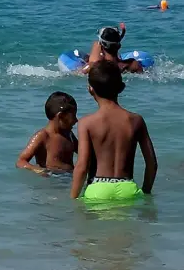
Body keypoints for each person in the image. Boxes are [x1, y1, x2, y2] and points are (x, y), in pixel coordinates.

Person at [70, 60, 157, 202]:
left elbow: (82, 166)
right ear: (121, 87)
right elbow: (152, 163)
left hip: (98, 190)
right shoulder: (136, 120)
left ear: (90, 89)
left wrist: (73, 199)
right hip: (128, 189)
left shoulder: (86, 123)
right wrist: (145, 193)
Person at [16, 92, 78, 175]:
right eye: (73, 116)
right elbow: (21, 162)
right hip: (52, 179)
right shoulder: (42, 136)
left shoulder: (69, 135)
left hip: (70, 177)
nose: (76, 120)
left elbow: (84, 152)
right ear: (60, 116)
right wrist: (36, 169)